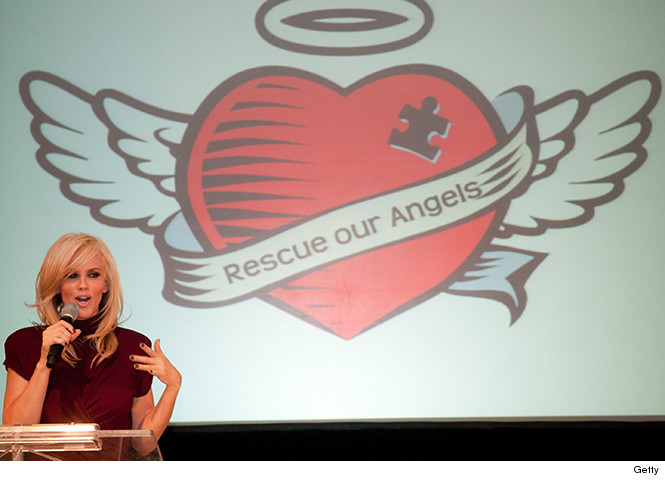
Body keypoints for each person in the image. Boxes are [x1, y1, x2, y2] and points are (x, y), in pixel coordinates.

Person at [2, 233, 181, 448]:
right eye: (72, 276)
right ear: (57, 285)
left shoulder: (133, 347)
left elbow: (142, 446)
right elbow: (16, 435)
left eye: (93, 275)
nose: (83, 285)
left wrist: (173, 386)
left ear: (105, 285)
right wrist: (43, 365)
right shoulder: (25, 343)